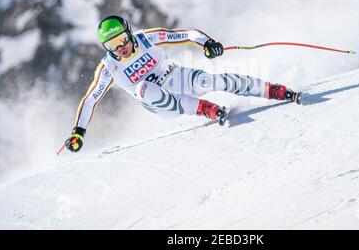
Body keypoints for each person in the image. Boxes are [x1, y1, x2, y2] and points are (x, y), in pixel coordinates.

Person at [64, 15, 300, 153]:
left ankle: (275, 91)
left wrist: (208, 43)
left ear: (129, 33)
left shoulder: (147, 38)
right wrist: (79, 132)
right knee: (143, 88)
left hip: (176, 77)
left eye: (122, 39)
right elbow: (91, 99)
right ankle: (205, 109)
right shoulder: (109, 68)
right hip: (159, 103)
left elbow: (186, 34)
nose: (121, 48)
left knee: (211, 80)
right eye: (112, 45)